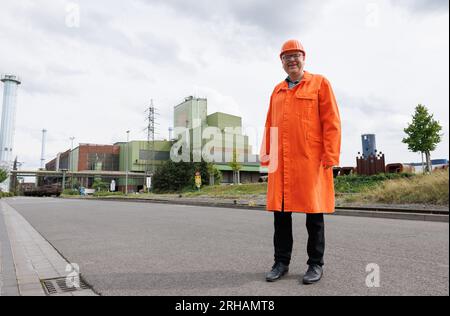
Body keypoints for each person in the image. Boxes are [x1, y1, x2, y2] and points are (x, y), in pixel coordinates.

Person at [260, 39, 341, 285]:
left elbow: (332, 122)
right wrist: (267, 157)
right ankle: (280, 263)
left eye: (296, 55)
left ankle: (315, 264)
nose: (291, 60)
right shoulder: (277, 90)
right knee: (281, 216)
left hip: (310, 161)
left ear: (304, 58)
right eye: (287, 57)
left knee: (314, 215)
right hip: (282, 163)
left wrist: (331, 155)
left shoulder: (319, 83)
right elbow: (269, 124)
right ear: (281, 62)